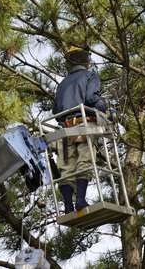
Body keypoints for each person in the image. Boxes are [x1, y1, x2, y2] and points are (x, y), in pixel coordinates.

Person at [52, 46, 106, 213]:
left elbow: (56, 111)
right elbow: (91, 98)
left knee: (67, 168)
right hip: (83, 125)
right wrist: (104, 107)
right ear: (86, 60)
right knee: (84, 161)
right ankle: (81, 201)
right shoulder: (90, 75)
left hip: (66, 129)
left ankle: (68, 206)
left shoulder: (62, 84)